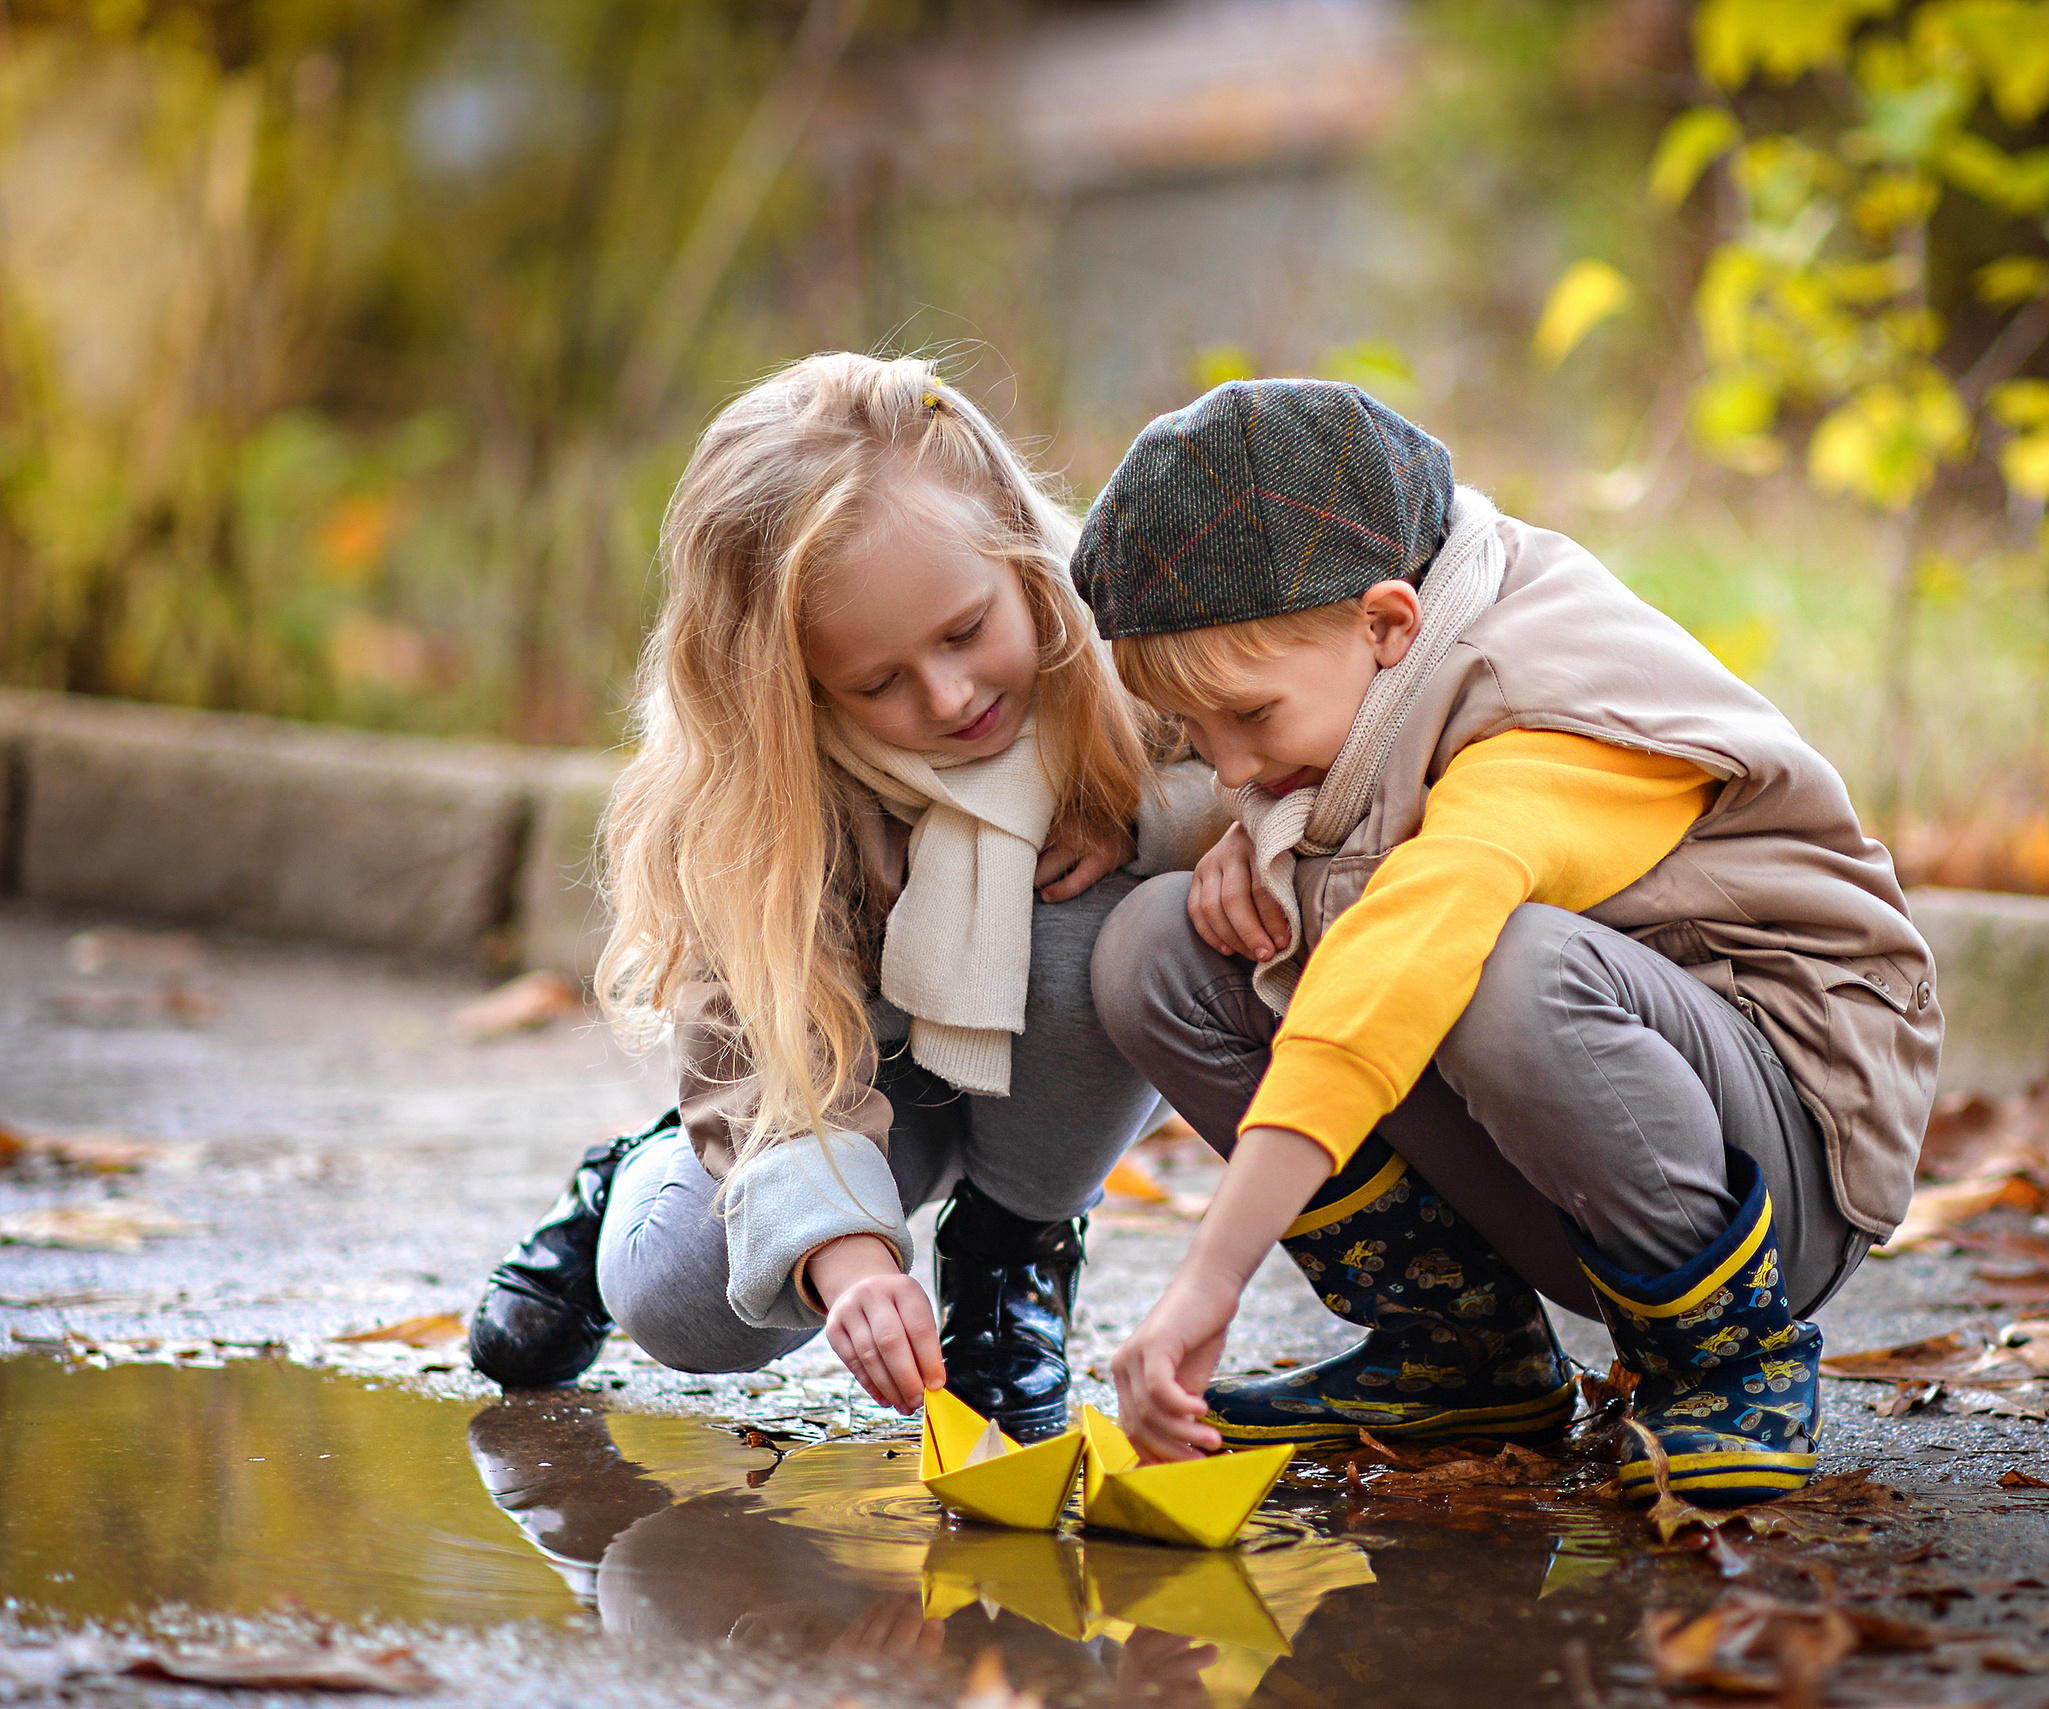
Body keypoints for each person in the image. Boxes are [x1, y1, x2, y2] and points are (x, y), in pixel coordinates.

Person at [1073, 380, 1942, 1507]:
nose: (1226, 763)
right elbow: (1304, 786)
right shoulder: (1361, 661)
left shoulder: (1545, 700)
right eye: (1196, 733)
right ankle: (1459, 1346)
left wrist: (1211, 1276)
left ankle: (1730, 1360)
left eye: (1249, 721)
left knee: (1497, 963)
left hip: (1779, 1165)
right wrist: (1243, 828)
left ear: (1389, 620)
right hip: (1556, 1147)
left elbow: (1408, 946)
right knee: (1154, 945)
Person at [466, 354, 1214, 1440]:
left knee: (1114, 922)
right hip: (853, 1074)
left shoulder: (1135, 645)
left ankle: (1010, 1259)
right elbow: (765, 1052)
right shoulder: (758, 799)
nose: (951, 696)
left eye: (964, 631)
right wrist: (846, 1258)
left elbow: (1278, 772)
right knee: (683, 1297)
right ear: (795, 685)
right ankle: (629, 1176)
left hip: (1054, 1066)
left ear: (1014, 550)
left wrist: (1154, 821)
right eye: (877, 682)